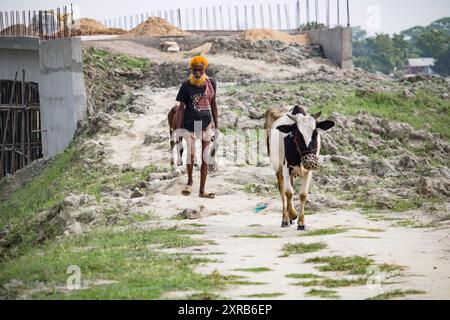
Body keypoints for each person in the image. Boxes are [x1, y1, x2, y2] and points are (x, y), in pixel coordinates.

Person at [174, 55, 219, 199]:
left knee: (205, 157)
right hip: (190, 125)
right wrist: (178, 130)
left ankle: (202, 190)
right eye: (195, 70)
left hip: (206, 125)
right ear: (191, 70)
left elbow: (213, 104)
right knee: (191, 154)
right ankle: (190, 180)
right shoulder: (186, 85)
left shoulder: (211, 83)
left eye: (200, 70)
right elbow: (181, 109)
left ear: (205, 69)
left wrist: (216, 127)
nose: (197, 73)